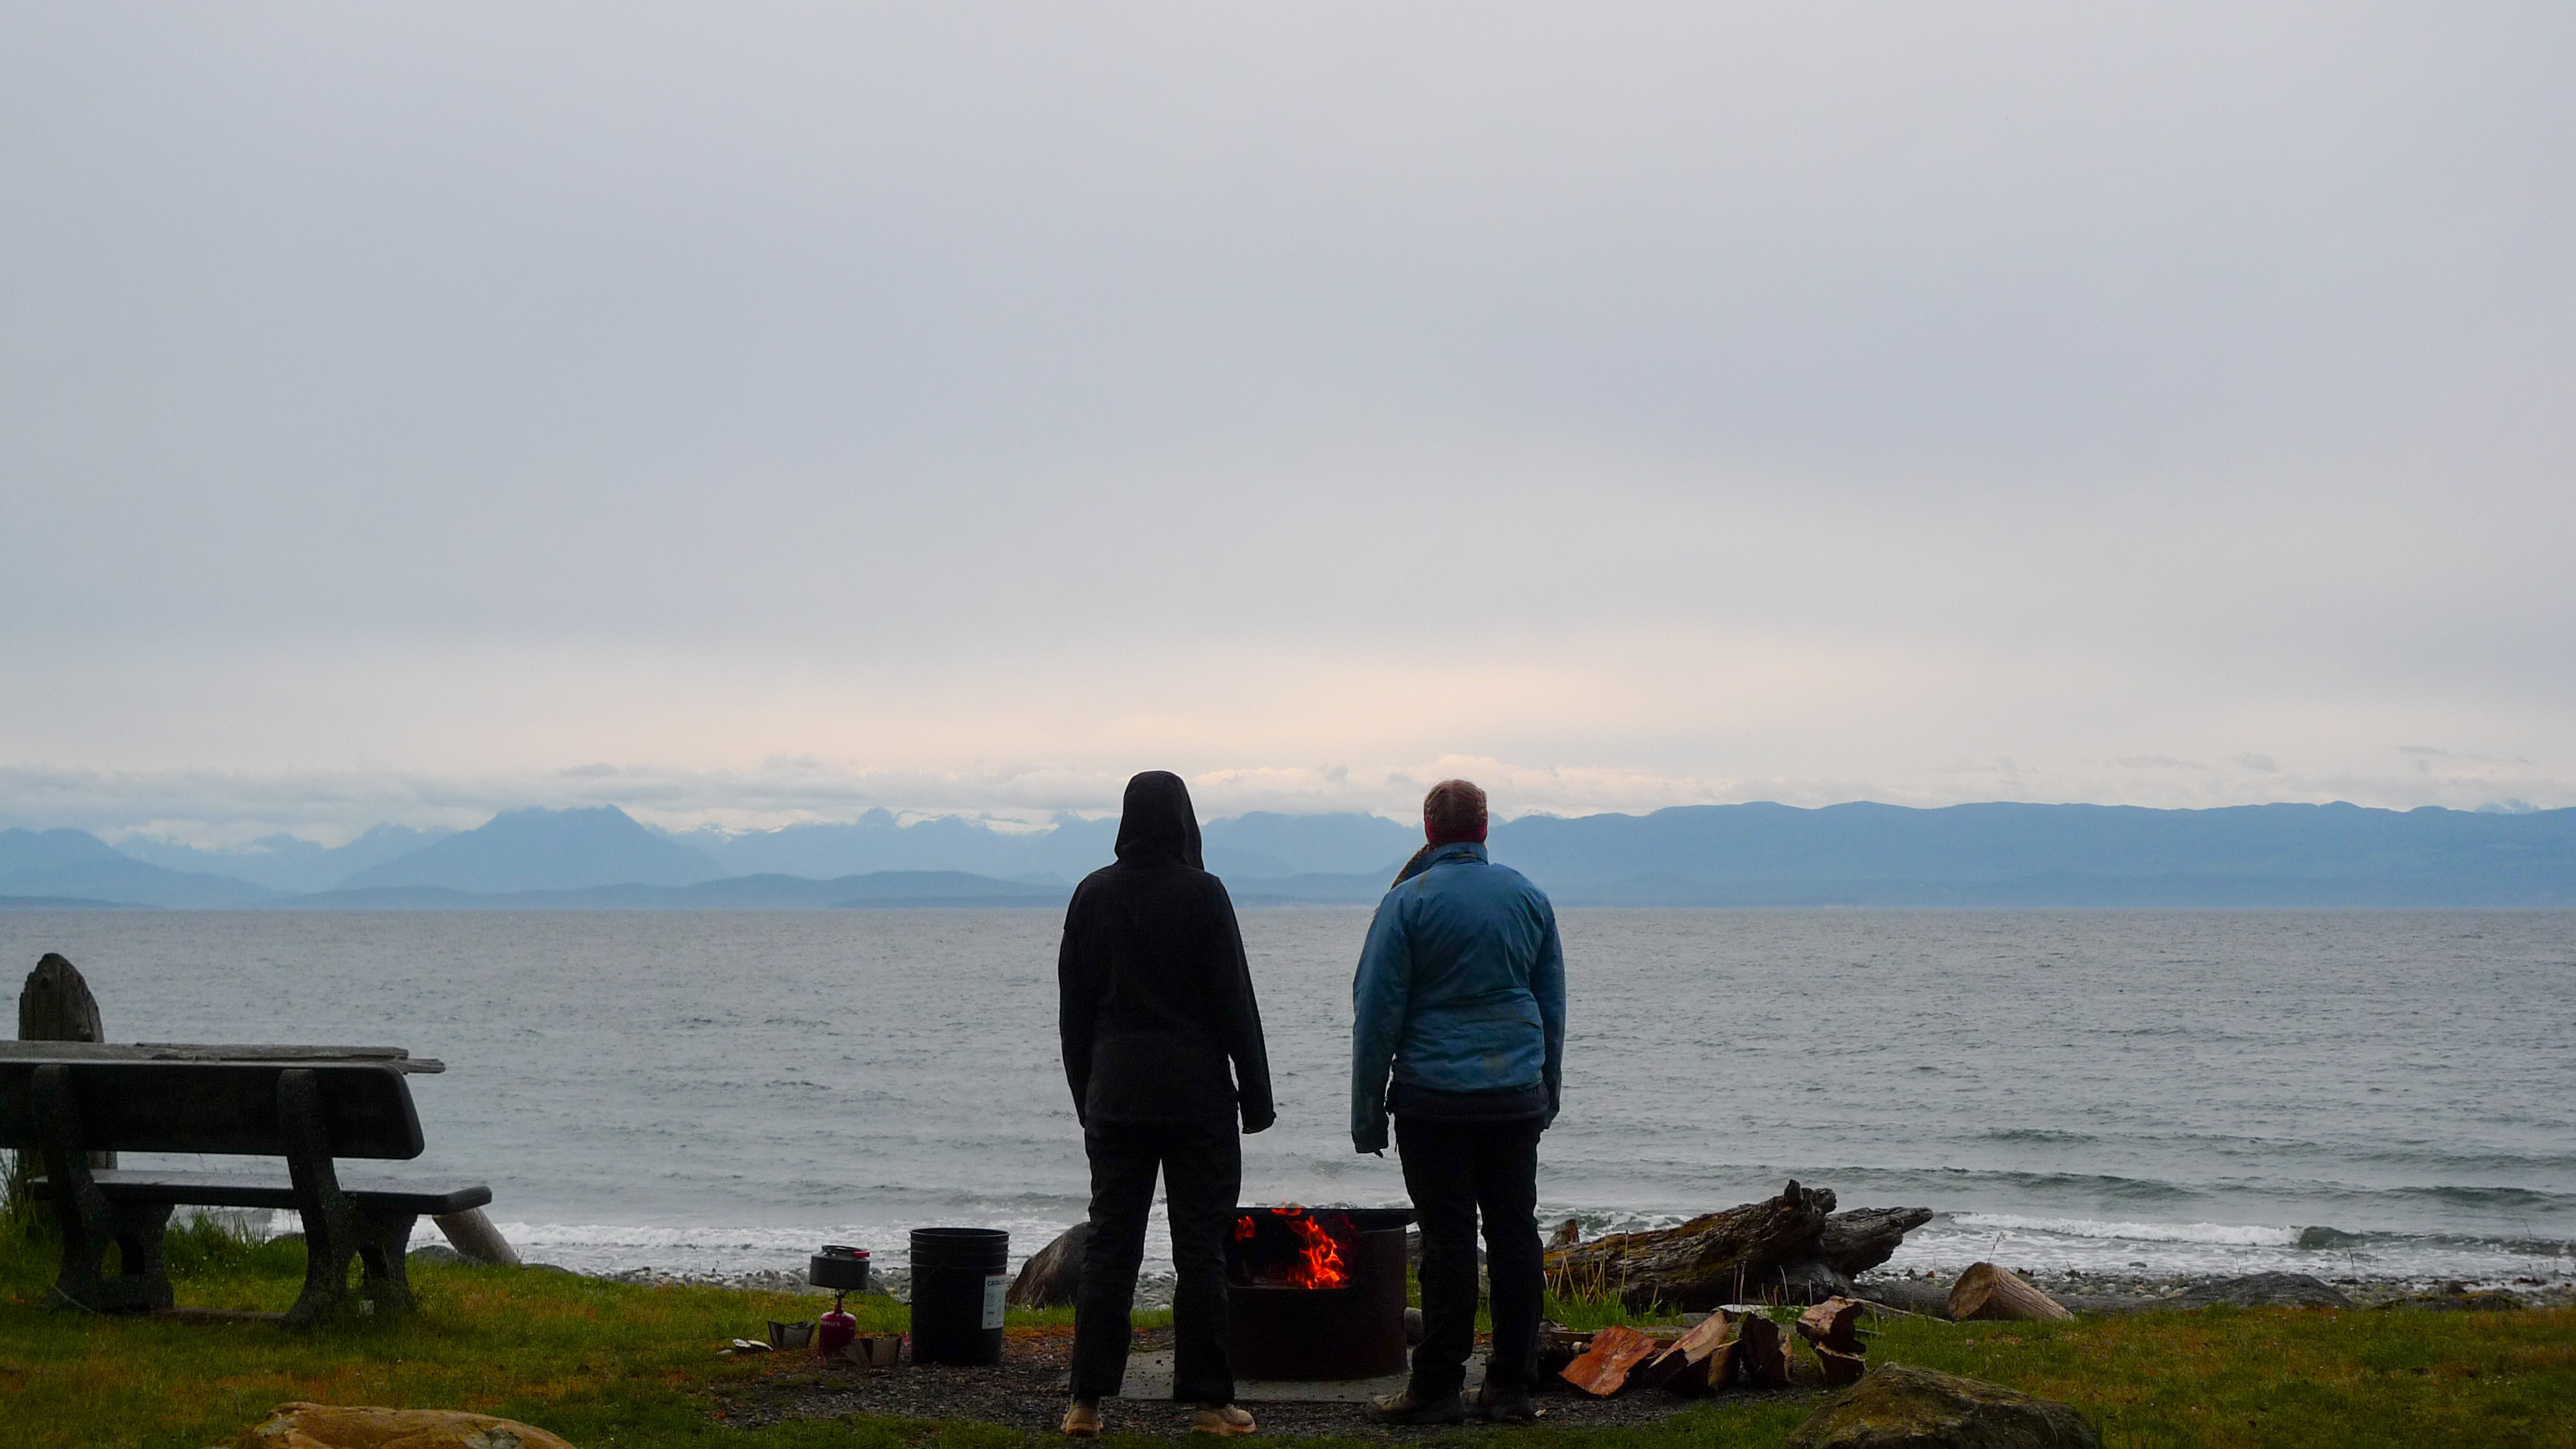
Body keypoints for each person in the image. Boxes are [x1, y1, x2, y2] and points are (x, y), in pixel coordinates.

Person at [1058, 771, 1275, 1438]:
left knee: (1110, 1251)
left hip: (1116, 1095)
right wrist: (1257, 1096)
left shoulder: (1092, 894)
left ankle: (1086, 1404)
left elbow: (1073, 1014)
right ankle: (1209, 1403)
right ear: (1184, 821)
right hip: (1196, 1099)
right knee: (1201, 1252)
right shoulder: (1204, 894)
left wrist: (1085, 1097)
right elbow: (1233, 1001)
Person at [1350, 778, 1565, 1426]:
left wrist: (1366, 1112)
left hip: (1432, 1101)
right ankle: (1511, 1386)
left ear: (1427, 832)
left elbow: (1375, 1014)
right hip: (1512, 1098)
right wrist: (1546, 1087)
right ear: (1483, 828)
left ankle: (1437, 1387)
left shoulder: (1407, 903)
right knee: (1514, 1236)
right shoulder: (1527, 897)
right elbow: (1549, 1006)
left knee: (1447, 1244)